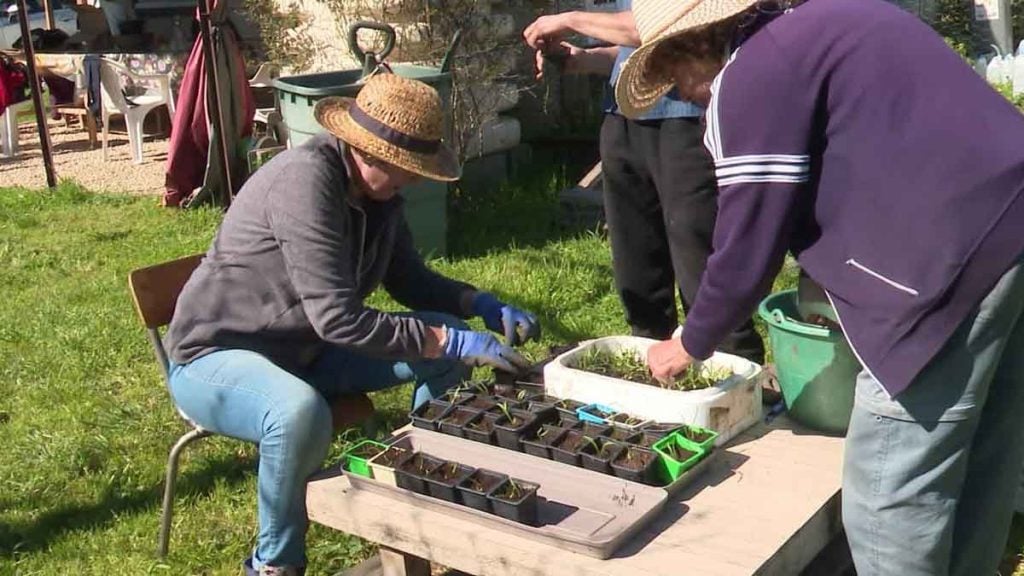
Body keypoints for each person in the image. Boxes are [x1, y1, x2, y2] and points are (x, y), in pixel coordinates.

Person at [619, 0, 1024, 573]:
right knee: (983, 445)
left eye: (670, 72)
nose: (678, 92)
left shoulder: (752, 74)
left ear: (693, 44)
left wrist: (690, 341)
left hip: (944, 259)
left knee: (889, 493)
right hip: (1010, 224)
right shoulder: (827, 24)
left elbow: (749, 232)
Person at [164, 73, 540, 576]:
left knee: (445, 348)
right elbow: (338, 318)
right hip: (215, 356)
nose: (416, 179)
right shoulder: (305, 184)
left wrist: (480, 304)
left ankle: (423, 501)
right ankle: (274, 564)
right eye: (410, 169)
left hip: (307, 349)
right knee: (299, 412)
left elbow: (408, 280)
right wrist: (447, 340)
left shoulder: (377, 197)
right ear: (371, 154)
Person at [523, 4, 764, 363]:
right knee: (636, 262)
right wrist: (584, 59)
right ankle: (652, 359)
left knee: (697, 253)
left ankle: (736, 365)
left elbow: (656, 29)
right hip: (623, 119)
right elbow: (635, 51)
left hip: (685, 120)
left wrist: (570, 20)